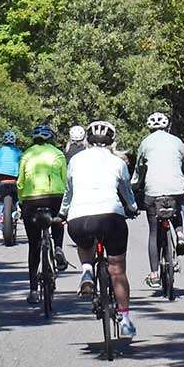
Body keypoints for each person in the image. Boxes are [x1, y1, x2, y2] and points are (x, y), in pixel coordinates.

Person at [61, 120, 139, 339]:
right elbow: (127, 193)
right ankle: (124, 320)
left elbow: (69, 192)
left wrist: (63, 213)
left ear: (87, 140)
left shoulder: (75, 160)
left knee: (85, 244)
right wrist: (132, 208)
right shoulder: (118, 162)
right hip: (111, 218)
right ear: (113, 141)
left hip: (79, 219)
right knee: (117, 270)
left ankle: (86, 269)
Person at [134, 112, 184, 284]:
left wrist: (135, 186)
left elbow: (139, 169)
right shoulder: (177, 141)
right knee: (176, 210)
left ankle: (154, 273)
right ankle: (180, 235)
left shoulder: (145, 143)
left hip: (153, 193)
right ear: (167, 126)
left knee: (154, 232)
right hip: (176, 189)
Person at [17, 123, 70, 304]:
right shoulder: (58, 154)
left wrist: (21, 201)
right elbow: (65, 179)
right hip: (55, 196)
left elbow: (20, 182)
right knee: (58, 221)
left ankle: (33, 290)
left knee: (34, 244)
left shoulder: (27, 154)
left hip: (32, 199)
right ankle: (58, 248)